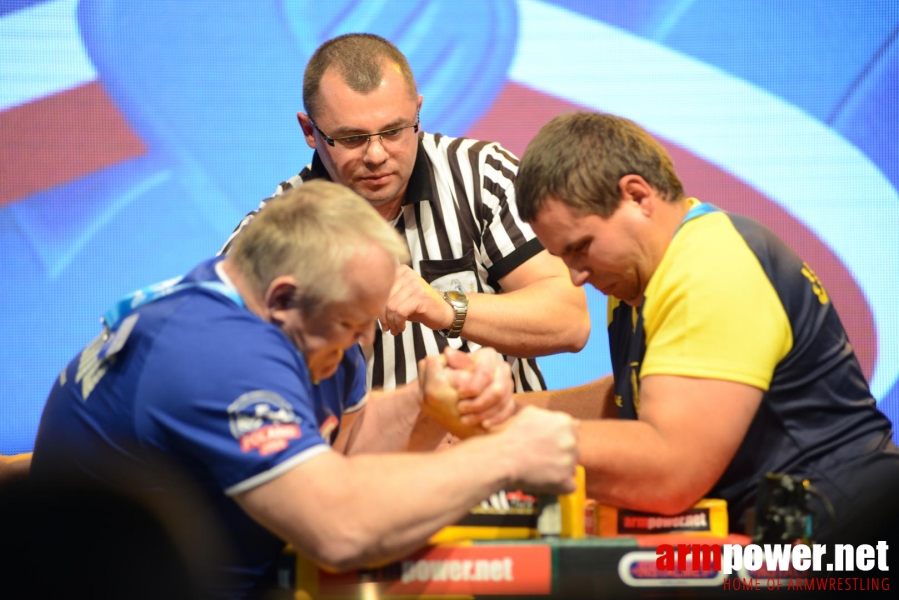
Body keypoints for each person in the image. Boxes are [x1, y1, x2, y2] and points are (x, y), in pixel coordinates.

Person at [31, 181, 579, 599]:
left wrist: (424, 405)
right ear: (284, 297)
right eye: (350, 325)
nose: (364, 341)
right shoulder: (219, 353)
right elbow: (338, 528)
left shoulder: (274, 312)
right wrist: (507, 455)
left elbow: (342, 448)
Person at [513, 111, 899, 543]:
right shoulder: (638, 277)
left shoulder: (708, 268)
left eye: (581, 247)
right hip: (790, 531)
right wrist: (502, 412)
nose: (576, 276)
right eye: (564, 258)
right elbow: (643, 395)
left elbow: (668, 475)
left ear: (637, 196)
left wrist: (508, 444)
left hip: (845, 535)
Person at [220, 33, 590, 394]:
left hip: (506, 442)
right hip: (371, 454)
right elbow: (213, 358)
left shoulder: (483, 174)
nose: (376, 155)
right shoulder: (273, 235)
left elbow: (569, 321)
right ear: (309, 131)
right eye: (351, 138)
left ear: (418, 112)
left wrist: (447, 309)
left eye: (394, 130)